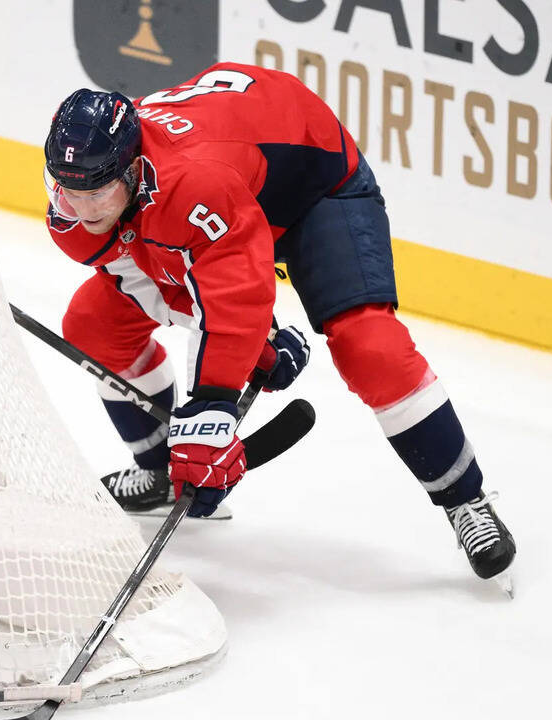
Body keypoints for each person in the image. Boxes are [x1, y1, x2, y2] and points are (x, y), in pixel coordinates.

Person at [41, 63, 515, 584]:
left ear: (133, 171)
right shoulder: (79, 200)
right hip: (230, 187)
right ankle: (160, 474)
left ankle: (465, 499)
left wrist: (213, 403)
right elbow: (156, 284)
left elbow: (234, 287)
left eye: (96, 193)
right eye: (69, 190)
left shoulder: (190, 182)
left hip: (312, 187)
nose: (81, 207)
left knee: (369, 346)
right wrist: (255, 347)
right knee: (92, 323)